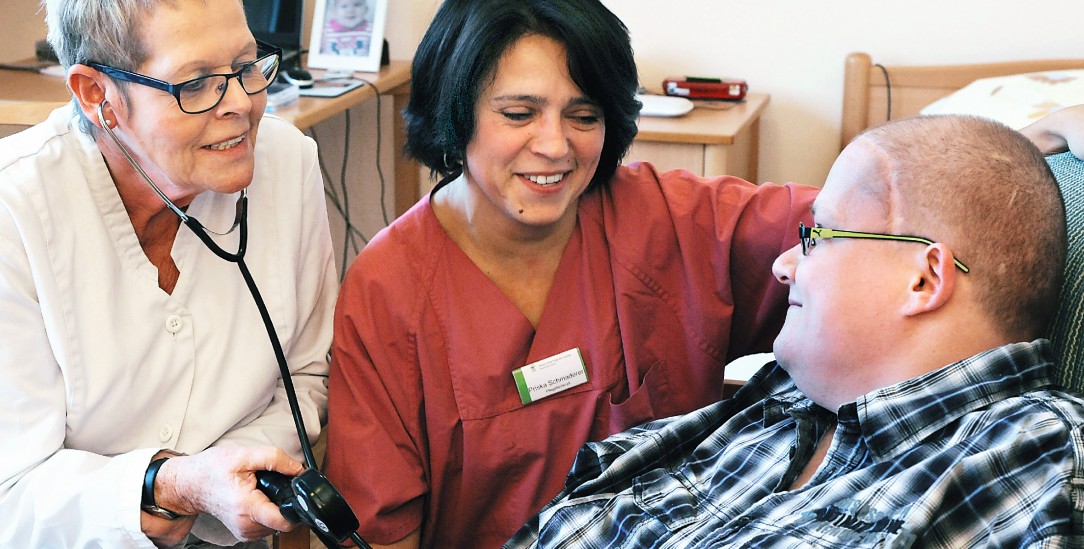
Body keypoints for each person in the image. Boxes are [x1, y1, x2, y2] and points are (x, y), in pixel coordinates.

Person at [323, 0, 817, 547]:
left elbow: (864, 229)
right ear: (452, 112)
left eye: (584, 116)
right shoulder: (388, 291)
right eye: (518, 114)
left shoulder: (674, 222)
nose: (556, 146)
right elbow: (376, 531)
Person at [506, 114, 1084, 547]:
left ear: (924, 279)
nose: (784, 265)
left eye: (821, 234)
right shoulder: (786, 402)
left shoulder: (1037, 451)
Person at [0, 0, 336, 546]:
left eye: (248, 67)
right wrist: (171, 485)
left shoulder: (288, 162)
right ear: (96, 94)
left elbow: (307, 377)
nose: (242, 105)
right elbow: (10, 494)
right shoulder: (14, 213)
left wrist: (226, 481)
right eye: (198, 82)